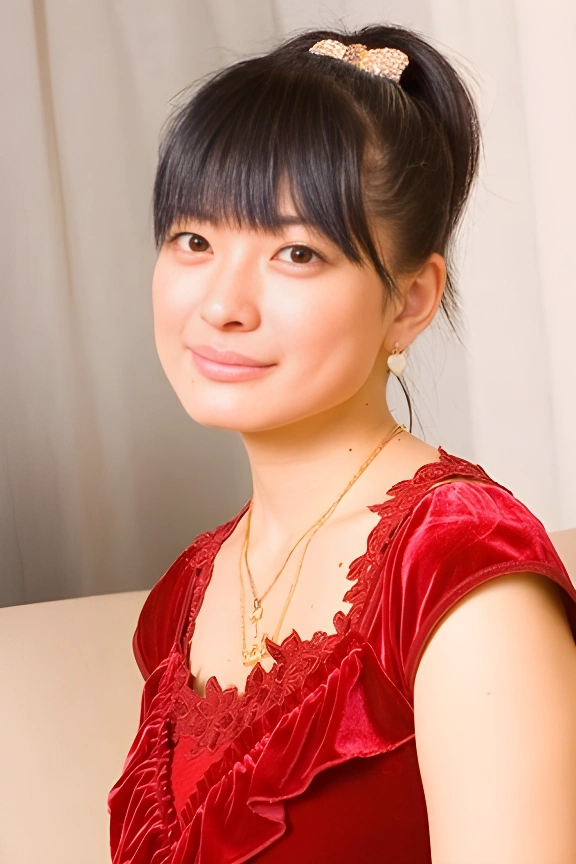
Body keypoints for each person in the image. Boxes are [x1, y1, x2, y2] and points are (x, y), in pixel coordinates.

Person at [107, 23, 576, 864]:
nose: (222, 305)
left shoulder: (458, 569)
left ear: (410, 301)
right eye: (194, 240)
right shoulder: (183, 598)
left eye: (296, 252)